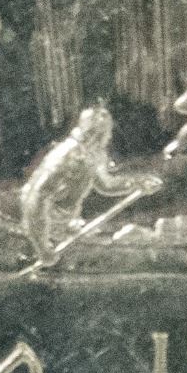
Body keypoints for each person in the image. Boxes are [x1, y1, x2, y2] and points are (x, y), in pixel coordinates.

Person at [18, 106, 161, 264]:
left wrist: (137, 183)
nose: (108, 136)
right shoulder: (66, 155)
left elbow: (106, 185)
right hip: (42, 226)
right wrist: (41, 246)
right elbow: (37, 195)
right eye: (105, 132)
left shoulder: (94, 154)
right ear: (92, 133)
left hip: (66, 224)